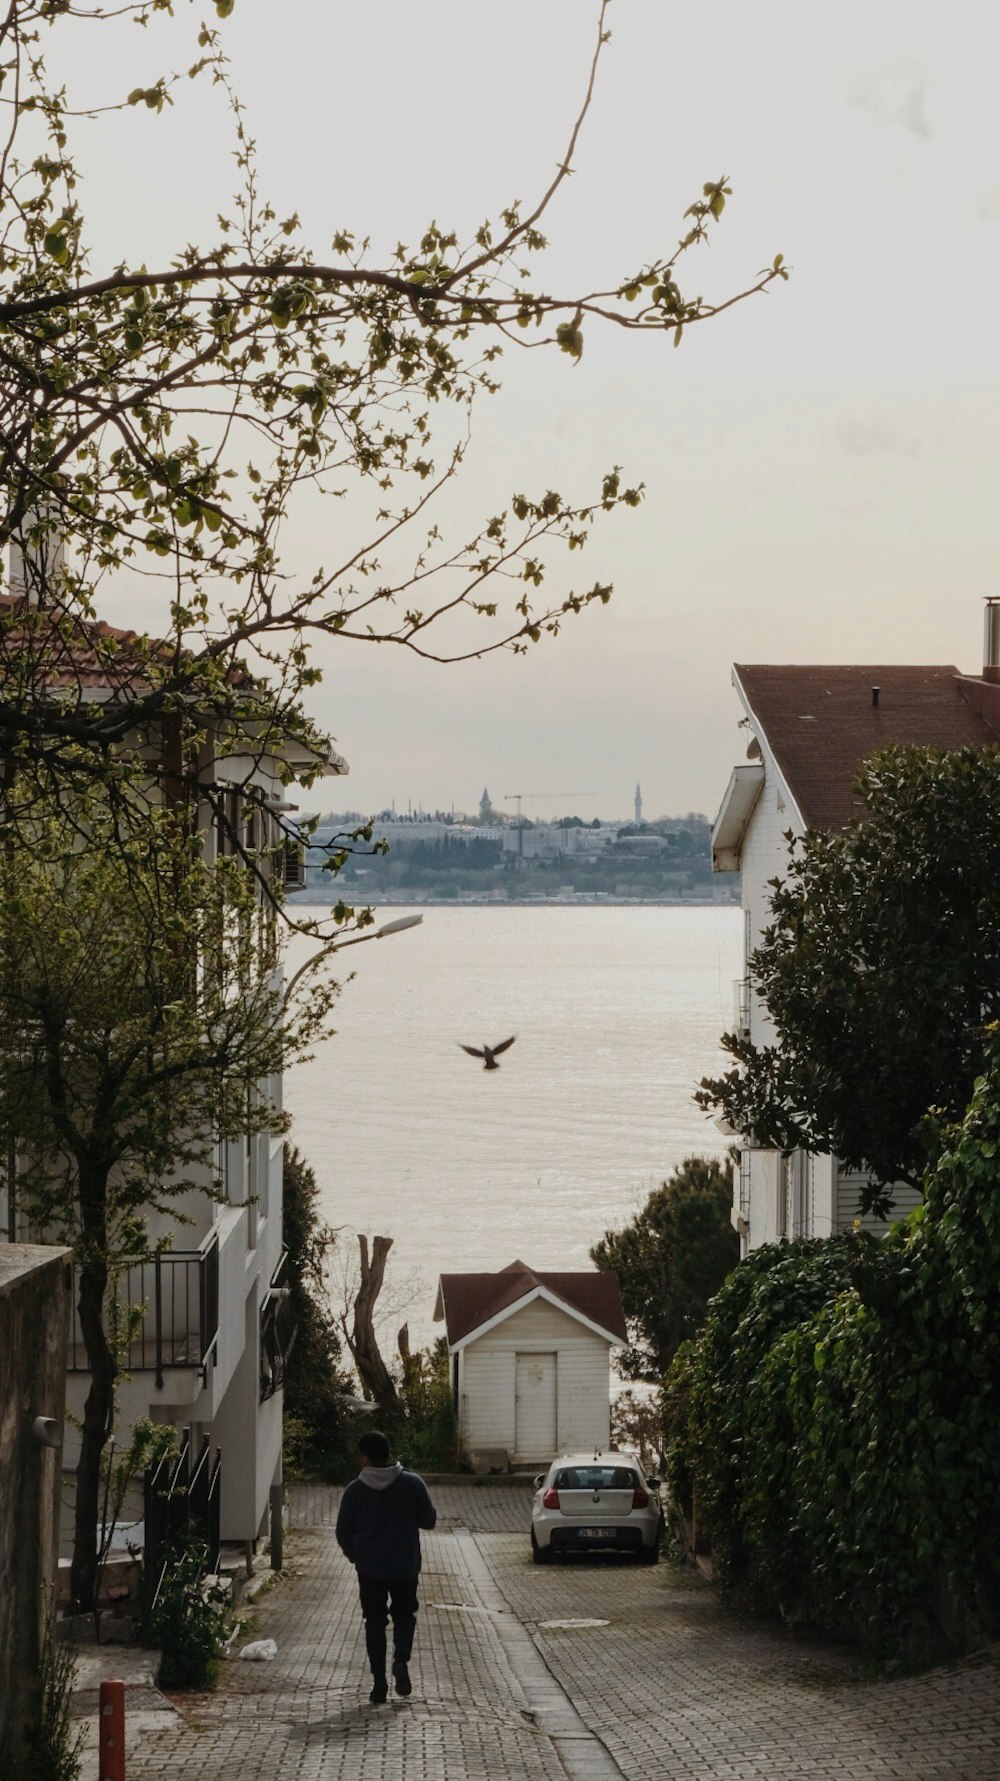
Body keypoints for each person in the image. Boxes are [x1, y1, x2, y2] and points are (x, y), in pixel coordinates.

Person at [335, 1429, 437, 1705]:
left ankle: (379, 1684)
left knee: (374, 1622)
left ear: (365, 1457)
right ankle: (401, 1660)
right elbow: (429, 1520)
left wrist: (356, 1556)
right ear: (388, 1453)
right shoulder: (413, 1484)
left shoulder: (354, 1491)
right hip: (405, 1566)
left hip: (370, 1570)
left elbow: (342, 1531)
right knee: (405, 1615)